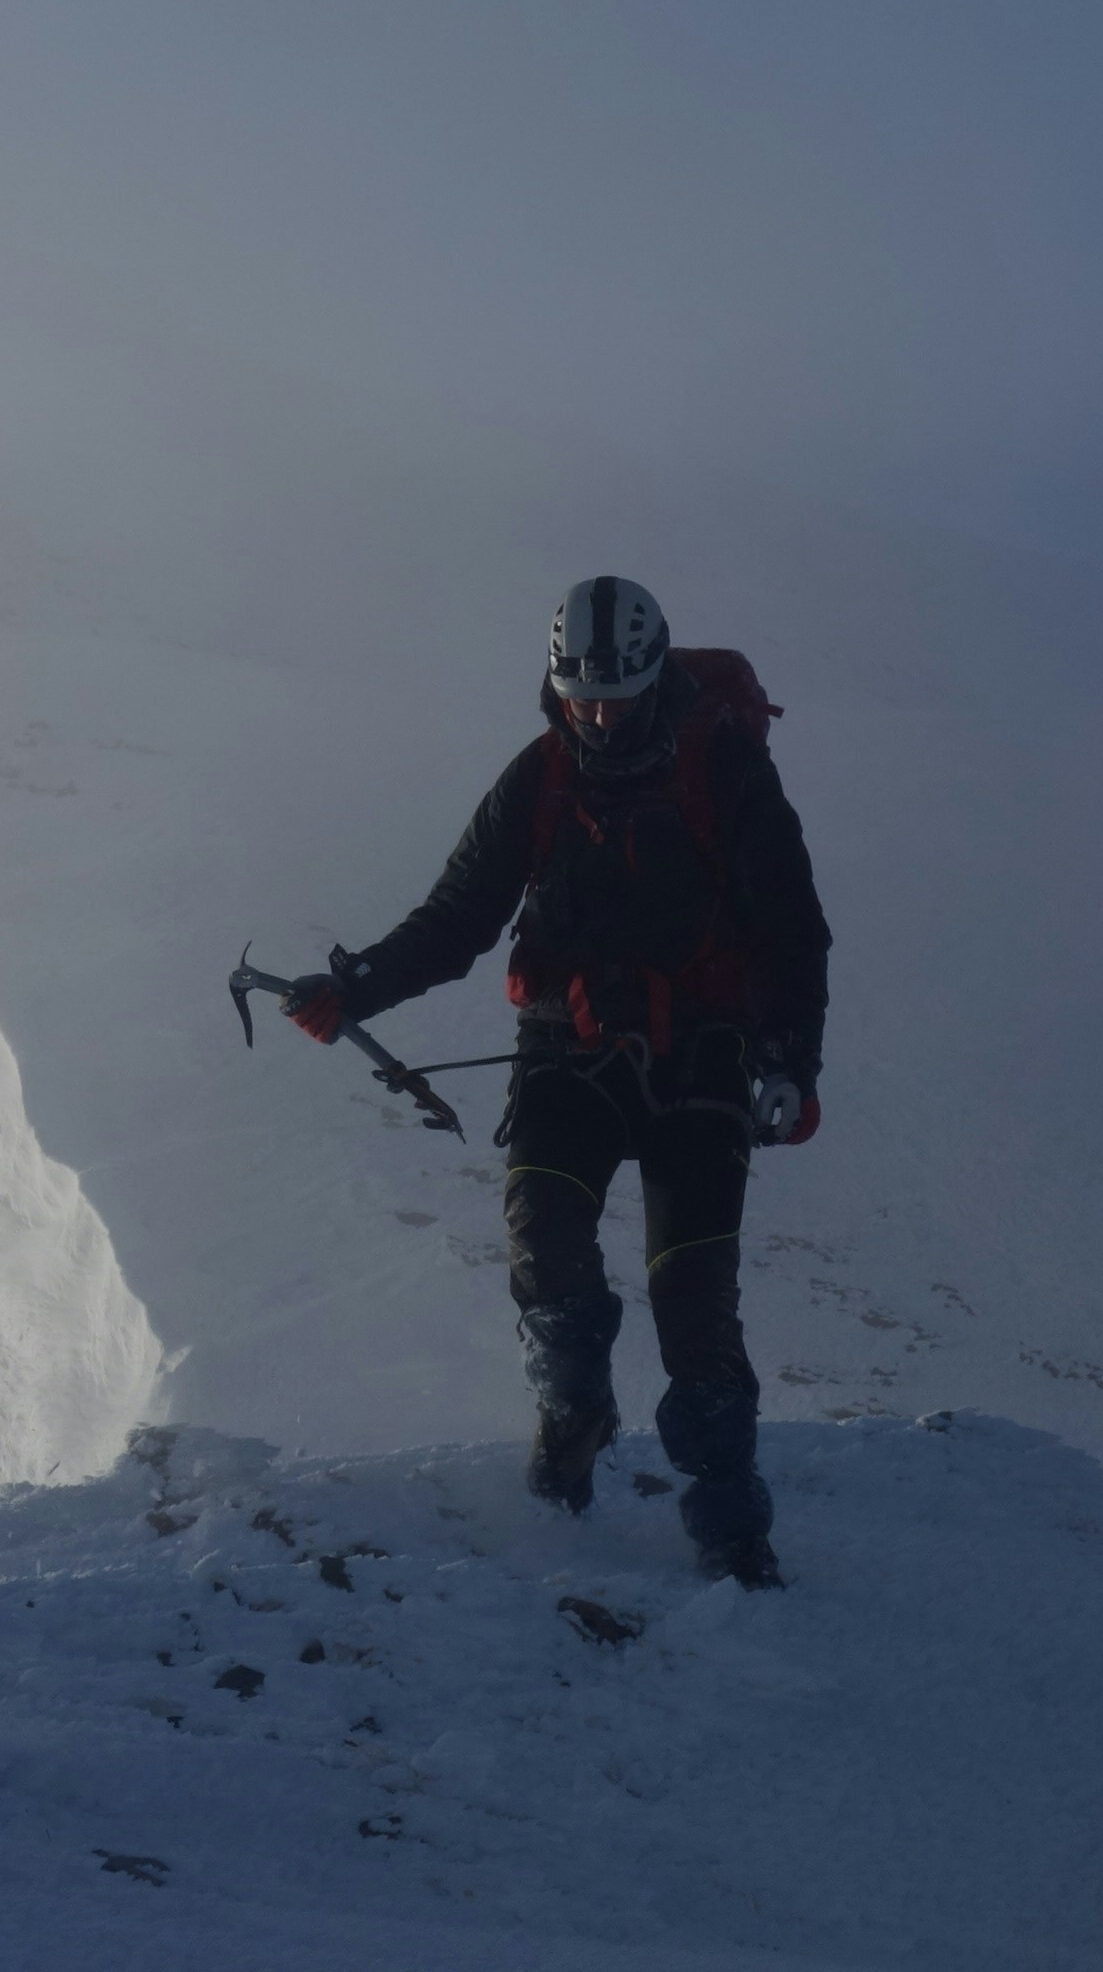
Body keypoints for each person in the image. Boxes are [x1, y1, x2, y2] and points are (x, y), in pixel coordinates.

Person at [284, 575, 829, 1587]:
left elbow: (792, 933)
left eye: (615, 696)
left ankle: (731, 1538)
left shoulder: (728, 771)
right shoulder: (538, 780)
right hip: (564, 1054)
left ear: (655, 679)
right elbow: (459, 915)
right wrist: (357, 988)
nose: (598, 715)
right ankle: (570, 1444)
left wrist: (792, 1064)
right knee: (545, 1240)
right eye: (580, 696)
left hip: (701, 1063)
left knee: (694, 1302)